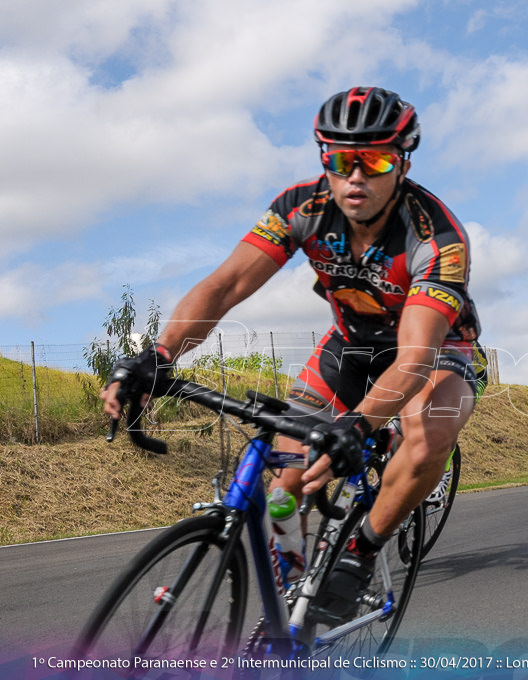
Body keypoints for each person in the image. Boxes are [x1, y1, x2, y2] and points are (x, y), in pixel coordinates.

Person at [100, 86, 486, 619]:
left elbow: (415, 354)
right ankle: (295, 592)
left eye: (373, 160)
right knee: (285, 485)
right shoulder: (300, 208)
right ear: (323, 158)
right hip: (350, 345)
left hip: (436, 348)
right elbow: (226, 286)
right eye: (339, 159)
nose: (355, 176)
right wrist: (160, 355)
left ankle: (359, 552)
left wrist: (360, 424)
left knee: (426, 434)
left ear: (402, 162)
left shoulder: (437, 237)